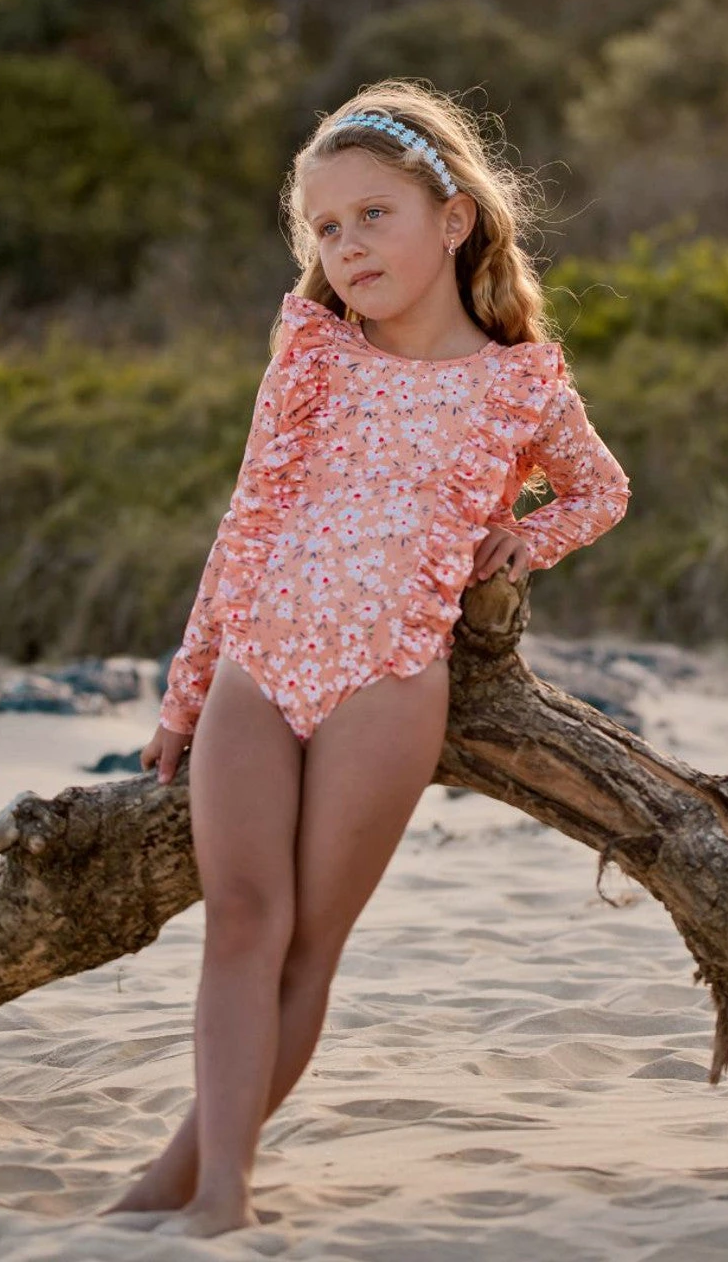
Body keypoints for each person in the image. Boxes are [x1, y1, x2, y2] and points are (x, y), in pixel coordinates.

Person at [101, 79, 630, 1238]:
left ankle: (211, 1183)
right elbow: (246, 522)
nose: (345, 246)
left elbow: (597, 489)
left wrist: (523, 536)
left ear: (452, 218)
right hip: (261, 661)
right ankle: (194, 1180)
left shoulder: (516, 383)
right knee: (241, 919)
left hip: (386, 680)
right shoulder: (311, 353)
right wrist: (186, 692)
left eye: (371, 215)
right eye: (325, 227)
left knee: (306, 943)